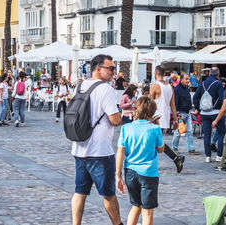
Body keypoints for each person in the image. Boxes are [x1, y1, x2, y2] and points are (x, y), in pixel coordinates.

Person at [71, 53, 124, 225]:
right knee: (108, 194)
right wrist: (124, 117)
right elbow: (115, 119)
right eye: (111, 68)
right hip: (100, 151)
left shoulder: (79, 87)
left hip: (79, 148)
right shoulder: (106, 89)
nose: (113, 72)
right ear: (98, 69)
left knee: (80, 192)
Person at [115, 95, 165, 225]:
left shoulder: (126, 128)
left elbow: (120, 151)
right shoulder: (155, 129)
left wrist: (118, 175)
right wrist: (157, 125)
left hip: (130, 172)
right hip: (148, 173)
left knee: (136, 206)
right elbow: (161, 149)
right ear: (152, 112)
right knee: (147, 211)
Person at [196, 69, 225, 163]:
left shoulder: (202, 83)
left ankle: (208, 156)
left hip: (204, 113)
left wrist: (198, 108)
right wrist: (221, 109)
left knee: (207, 135)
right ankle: (219, 155)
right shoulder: (218, 83)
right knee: (221, 132)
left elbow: (195, 97)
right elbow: (222, 98)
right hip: (216, 112)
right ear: (218, 75)